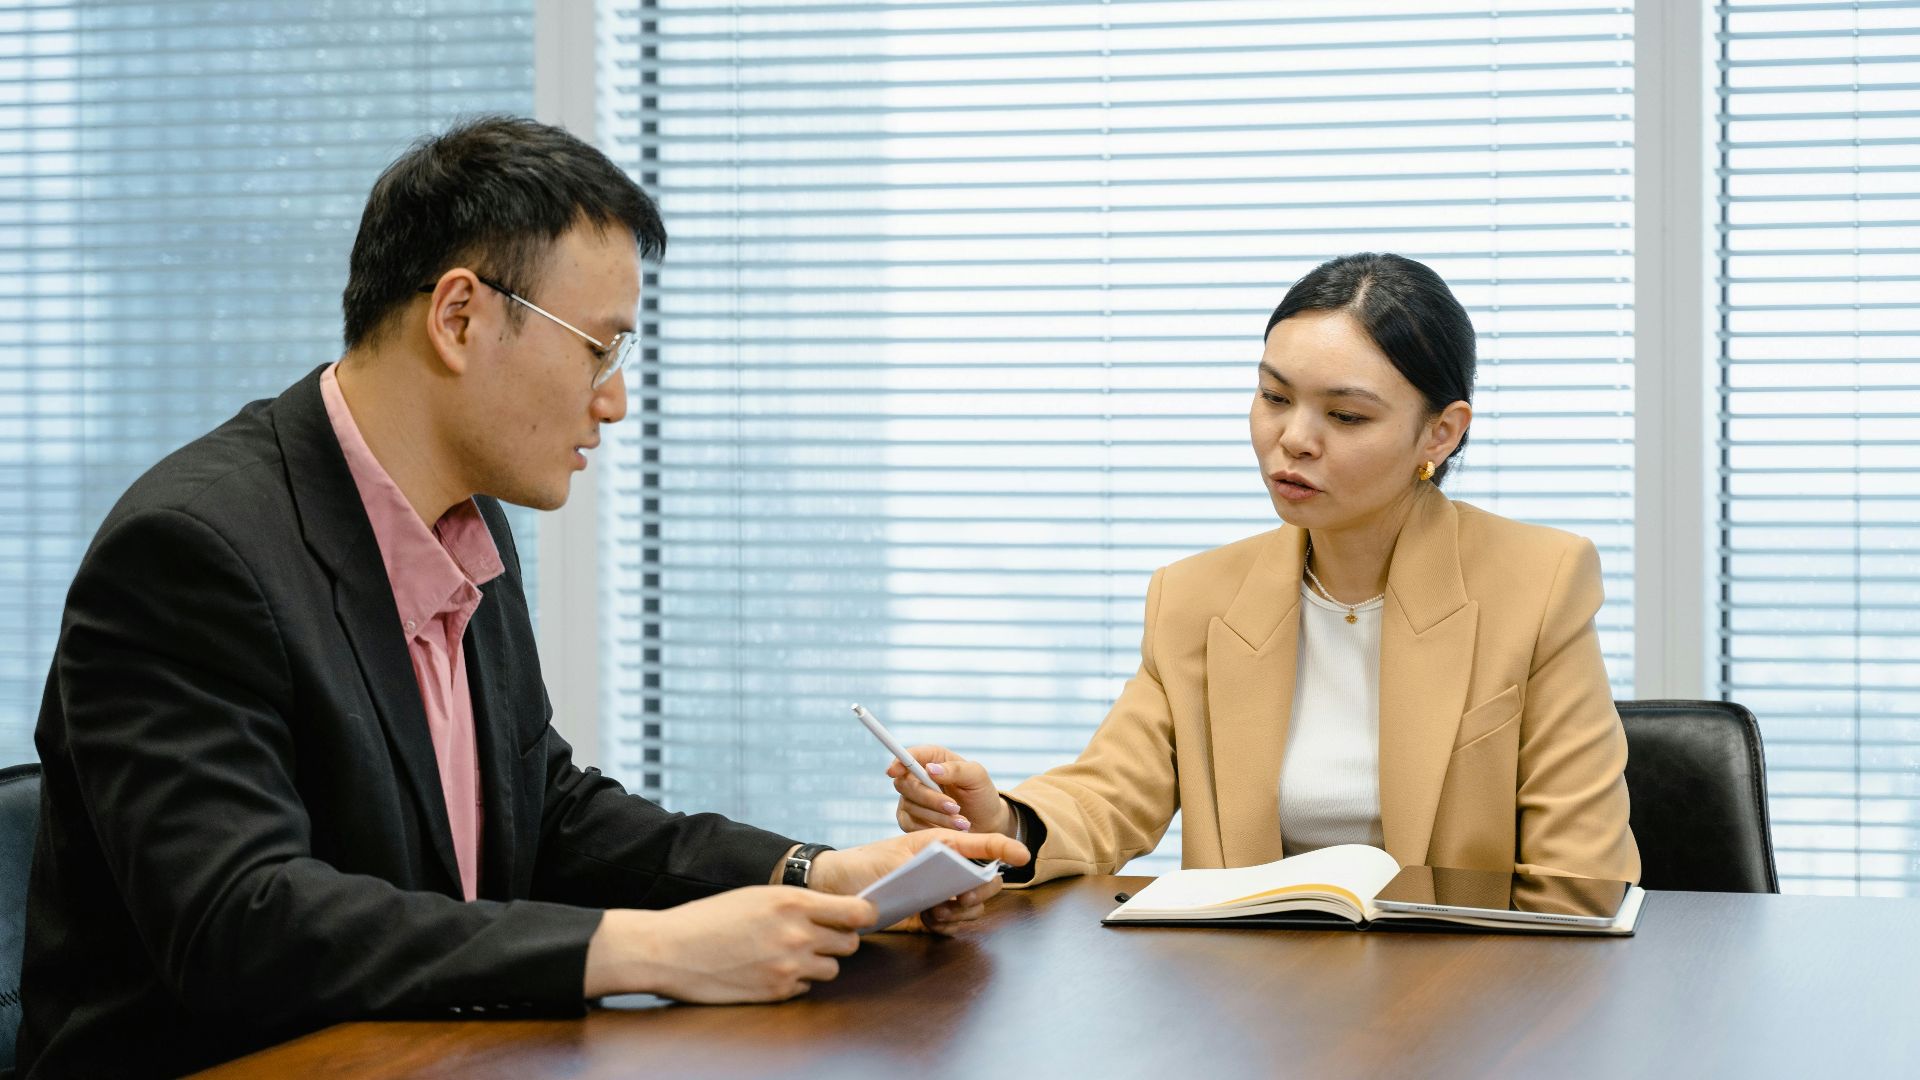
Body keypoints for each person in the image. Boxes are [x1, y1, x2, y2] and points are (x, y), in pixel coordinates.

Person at [20, 116, 1026, 1078]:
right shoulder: (192, 551)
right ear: (460, 317)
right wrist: (644, 950)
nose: (616, 397)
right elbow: (244, 924)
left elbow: (545, 813)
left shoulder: (462, 517)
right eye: (600, 348)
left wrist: (812, 874)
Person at [889, 253, 1638, 889]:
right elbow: (1110, 793)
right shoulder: (1196, 597)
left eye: (1345, 416)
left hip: (1469, 1015)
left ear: (1440, 433)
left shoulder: (1539, 582)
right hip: (1252, 1008)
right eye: (1274, 398)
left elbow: (1583, 883)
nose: (1293, 440)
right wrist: (1004, 819)